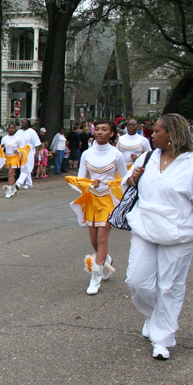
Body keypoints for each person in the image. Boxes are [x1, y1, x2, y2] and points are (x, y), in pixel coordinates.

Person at [123, 114, 193, 360]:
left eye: (157, 130)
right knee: (137, 281)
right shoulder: (148, 157)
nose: (152, 133)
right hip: (145, 227)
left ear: (171, 135)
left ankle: (162, 338)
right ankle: (153, 315)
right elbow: (127, 182)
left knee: (170, 286)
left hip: (180, 234)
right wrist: (132, 177)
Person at [65, 120, 127, 295]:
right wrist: (90, 184)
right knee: (93, 239)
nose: (99, 132)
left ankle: (96, 276)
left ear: (112, 133)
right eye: (97, 129)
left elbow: (124, 180)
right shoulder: (86, 154)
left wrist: (110, 185)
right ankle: (105, 259)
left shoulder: (117, 155)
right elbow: (79, 181)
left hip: (108, 200)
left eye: (104, 130)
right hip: (91, 199)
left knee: (101, 238)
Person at [0, 123, 26, 198]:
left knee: (11, 173)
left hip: (15, 157)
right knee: (10, 174)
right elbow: (1, 148)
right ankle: (14, 188)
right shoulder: (4, 138)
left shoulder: (18, 139)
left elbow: (22, 148)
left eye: (13, 128)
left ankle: (9, 189)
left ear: (15, 129)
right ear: (8, 129)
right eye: (10, 128)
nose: (11, 129)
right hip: (7, 157)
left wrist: (17, 151)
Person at [15, 119, 41, 190]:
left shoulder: (32, 132)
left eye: (24, 123)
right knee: (25, 168)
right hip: (21, 153)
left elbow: (37, 144)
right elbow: (15, 141)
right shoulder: (19, 132)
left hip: (29, 153)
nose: (23, 124)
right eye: (22, 122)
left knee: (25, 168)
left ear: (28, 124)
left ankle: (19, 183)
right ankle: (29, 183)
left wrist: (36, 153)